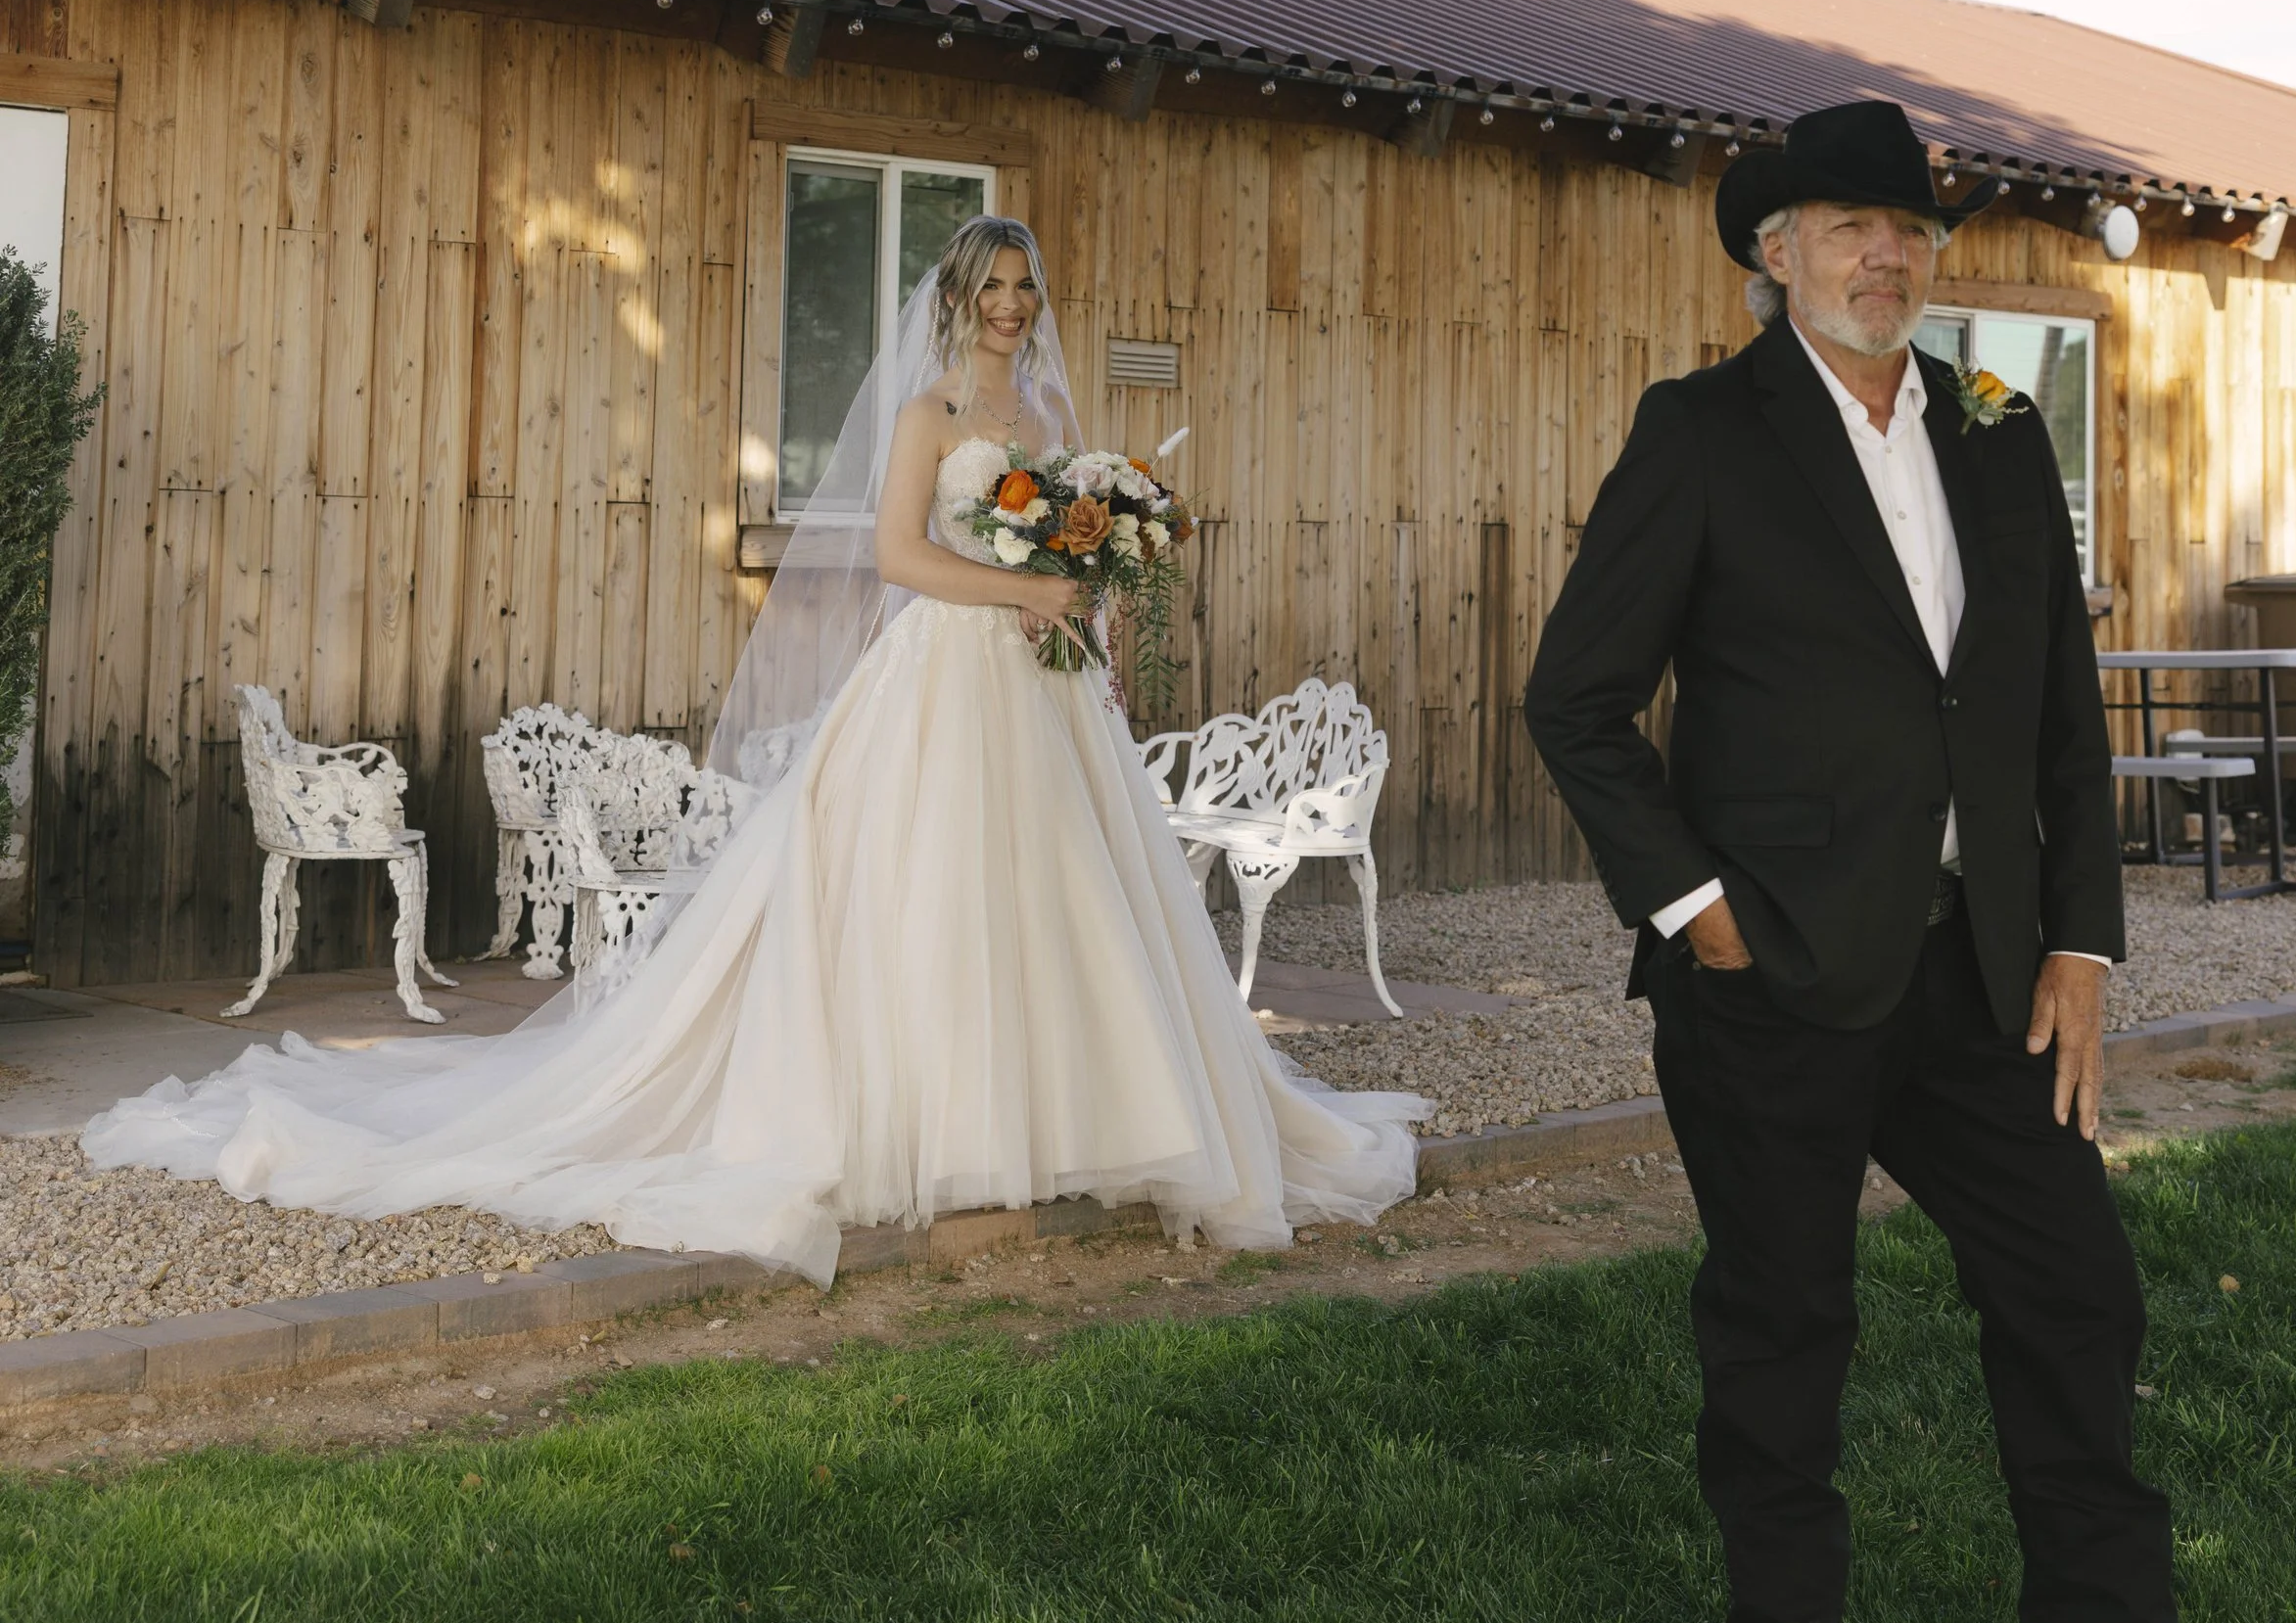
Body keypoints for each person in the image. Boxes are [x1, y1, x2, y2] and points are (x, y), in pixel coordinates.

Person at [85, 220, 1422, 1281]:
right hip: (943, 683)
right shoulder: (931, 415)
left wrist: (1094, 615)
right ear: (958, 297)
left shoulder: (1053, 421)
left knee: (1060, 903)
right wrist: (1021, 592)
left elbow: (1069, 550)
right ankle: (941, 1130)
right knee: (926, 901)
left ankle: (1090, 1120)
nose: (1015, 305)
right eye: (996, 286)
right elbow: (903, 557)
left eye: (1028, 286)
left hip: (1045, 690)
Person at [1523, 99, 2245, 1623]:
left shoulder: (1999, 434)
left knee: (2078, 1292)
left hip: (1985, 977)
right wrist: (1700, 923)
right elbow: (1578, 702)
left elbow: (2057, 711)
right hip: (1771, 976)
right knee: (1784, 1330)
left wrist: (2082, 939)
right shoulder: (1701, 433)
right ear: (1775, 255)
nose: (1887, 253)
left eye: (1912, 227)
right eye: (1849, 224)